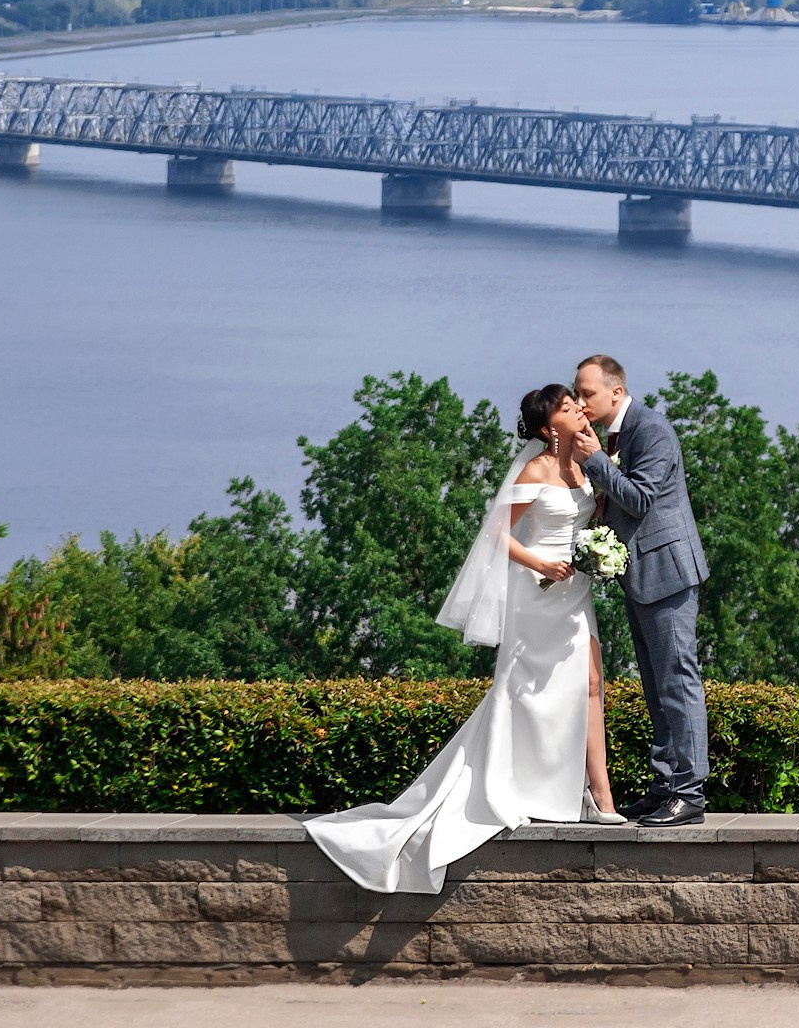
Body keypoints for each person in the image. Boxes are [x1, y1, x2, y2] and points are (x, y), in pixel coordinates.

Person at [305, 384, 627, 894]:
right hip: (537, 591)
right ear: (547, 428)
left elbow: (598, 514)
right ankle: (514, 783)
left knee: (590, 683)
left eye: (574, 404)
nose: (577, 410)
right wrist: (541, 561)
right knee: (524, 690)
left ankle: (599, 798)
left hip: (575, 591)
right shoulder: (537, 469)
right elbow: (497, 533)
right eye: (567, 409)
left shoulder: (587, 464)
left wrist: (597, 550)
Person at [570, 353, 711, 827]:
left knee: (677, 681)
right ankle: (665, 785)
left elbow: (640, 498)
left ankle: (689, 794)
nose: (580, 402)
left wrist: (592, 461)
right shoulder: (612, 434)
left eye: (587, 393)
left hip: (668, 572)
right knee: (655, 687)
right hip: (641, 574)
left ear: (616, 390)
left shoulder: (650, 429)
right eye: (578, 393)